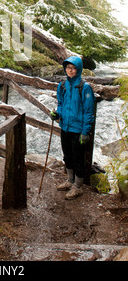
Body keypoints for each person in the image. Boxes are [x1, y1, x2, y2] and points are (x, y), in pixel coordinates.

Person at [50, 56, 95, 200]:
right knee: (67, 155)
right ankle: (69, 181)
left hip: (78, 129)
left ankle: (78, 186)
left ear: (79, 69)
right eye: (68, 68)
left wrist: (85, 132)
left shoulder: (84, 87)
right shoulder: (62, 85)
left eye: (73, 68)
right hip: (65, 127)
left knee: (78, 158)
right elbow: (61, 104)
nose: (70, 70)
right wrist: (57, 114)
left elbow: (89, 111)